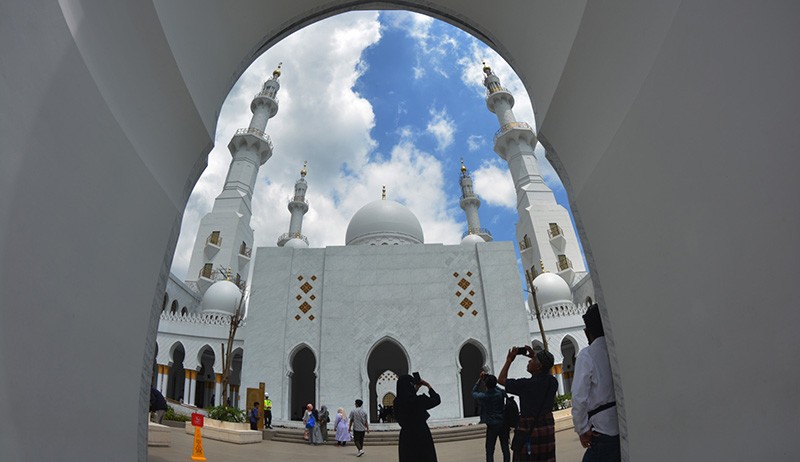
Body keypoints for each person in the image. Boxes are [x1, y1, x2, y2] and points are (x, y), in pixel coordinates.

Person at [571, 304, 620, 461]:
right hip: (623, 425)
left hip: (602, 432)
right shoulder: (617, 349)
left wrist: (582, 430)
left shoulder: (587, 355)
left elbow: (579, 398)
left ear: (587, 333)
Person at [498, 347, 558, 462]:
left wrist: (509, 360)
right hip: (546, 430)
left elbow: (501, 379)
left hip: (529, 432)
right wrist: (534, 356)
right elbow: (547, 371)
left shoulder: (525, 385)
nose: (529, 361)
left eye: (533, 360)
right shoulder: (552, 382)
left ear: (539, 366)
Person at [394, 374, 440, 462]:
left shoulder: (397, 403)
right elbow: (436, 400)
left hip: (406, 436)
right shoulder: (419, 400)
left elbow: (406, 398)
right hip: (421, 434)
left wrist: (414, 391)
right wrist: (428, 386)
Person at [473, 372, 510, 462]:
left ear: (486, 384)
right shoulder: (500, 393)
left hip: (492, 425)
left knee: (490, 450)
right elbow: (501, 390)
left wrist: (480, 381)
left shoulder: (484, 396)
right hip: (503, 423)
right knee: (505, 448)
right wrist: (493, 382)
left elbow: (474, 392)